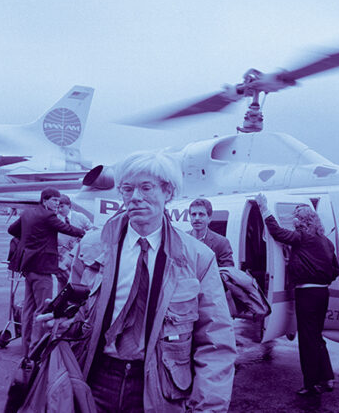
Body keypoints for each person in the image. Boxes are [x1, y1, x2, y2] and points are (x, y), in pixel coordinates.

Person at [69, 151, 236, 412]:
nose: (135, 197)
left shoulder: (198, 258)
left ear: (168, 192)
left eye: (146, 187)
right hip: (95, 378)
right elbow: (72, 314)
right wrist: (58, 323)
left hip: (161, 388)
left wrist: (208, 408)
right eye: (127, 189)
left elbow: (215, 342)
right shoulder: (92, 247)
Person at [255, 193, 339, 397]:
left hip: (307, 294)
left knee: (308, 340)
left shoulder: (302, 237)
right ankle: (327, 377)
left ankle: (310, 383)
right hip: (322, 293)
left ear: (302, 222)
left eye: (297, 217)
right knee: (316, 336)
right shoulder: (326, 242)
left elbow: (277, 233)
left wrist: (264, 208)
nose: (294, 219)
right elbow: (335, 270)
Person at [7, 187, 87, 360]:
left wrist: (31, 239)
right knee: (43, 309)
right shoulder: (48, 216)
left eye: (59, 201)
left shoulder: (28, 213)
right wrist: (86, 233)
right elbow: (67, 229)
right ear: (44, 200)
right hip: (42, 268)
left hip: (28, 267)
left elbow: (12, 230)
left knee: (28, 309)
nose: (57, 204)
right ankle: (37, 351)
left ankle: (26, 348)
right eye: (54, 201)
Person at [56, 195, 92, 287]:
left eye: (62, 206)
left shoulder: (80, 217)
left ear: (69, 206)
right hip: (62, 257)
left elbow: (91, 231)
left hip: (78, 256)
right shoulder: (55, 219)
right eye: (58, 207)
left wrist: (81, 240)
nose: (60, 210)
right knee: (62, 283)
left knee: (77, 282)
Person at [187, 198, 234, 268]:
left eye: (201, 214)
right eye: (193, 214)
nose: (197, 218)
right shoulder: (182, 239)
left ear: (209, 218)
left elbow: (228, 270)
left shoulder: (222, 243)